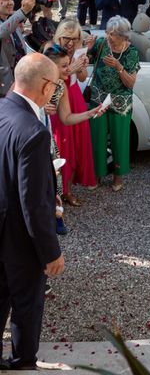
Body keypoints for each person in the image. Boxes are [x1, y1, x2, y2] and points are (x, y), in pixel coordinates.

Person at [0, 53, 65, 370]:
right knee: (26, 301)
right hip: (19, 233)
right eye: (56, 85)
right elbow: (33, 203)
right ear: (45, 86)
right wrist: (51, 251)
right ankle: (23, 361)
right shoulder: (34, 132)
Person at [87, 16, 140, 191]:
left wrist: (118, 66)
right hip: (98, 100)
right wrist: (88, 48)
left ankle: (118, 177)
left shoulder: (132, 52)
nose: (109, 36)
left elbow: (130, 83)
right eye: (108, 32)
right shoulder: (101, 43)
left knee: (120, 140)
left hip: (121, 102)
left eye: (114, 34)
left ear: (124, 36)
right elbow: (86, 60)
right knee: (97, 138)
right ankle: (96, 174)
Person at [49, 20, 99, 204]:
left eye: (75, 39)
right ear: (59, 36)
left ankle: (67, 191)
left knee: (77, 145)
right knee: (60, 147)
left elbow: (83, 77)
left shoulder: (77, 51)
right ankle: (55, 191)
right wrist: (71, 69)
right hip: (57, 100)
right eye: (67, 39)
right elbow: (49, 77)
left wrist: (82, 65)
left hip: (75, 99)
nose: (70, 43)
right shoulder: (51, 49)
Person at [0, 0, 36, 96]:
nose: (10, 2)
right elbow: (2, 31)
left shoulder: (12, 22)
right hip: (3, 88)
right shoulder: (11, 23)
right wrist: (23, 11)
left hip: (19, 84)